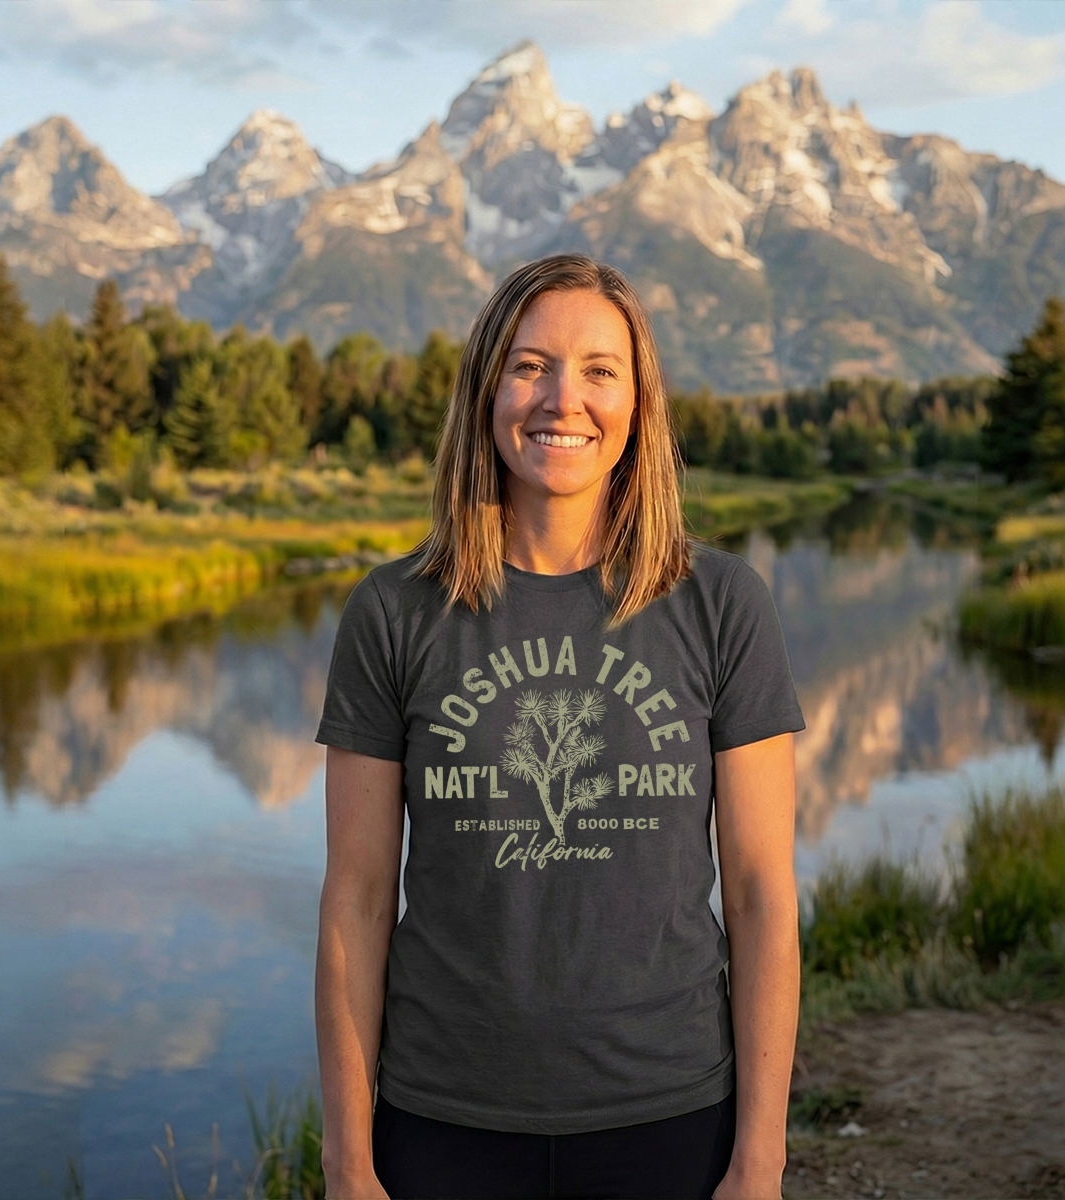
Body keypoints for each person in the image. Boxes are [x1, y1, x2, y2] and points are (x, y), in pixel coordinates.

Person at [315, 254, 804, 1200]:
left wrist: (760, 1160)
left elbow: (759, 897)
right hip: (440, 1120)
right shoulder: (391, 613)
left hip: (670, 1115)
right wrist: (347, 1165)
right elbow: (357, 904)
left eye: (598, 370)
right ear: (487, 389)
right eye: (530, 365)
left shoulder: (722, 604)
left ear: (639, 403)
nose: (562, 399)